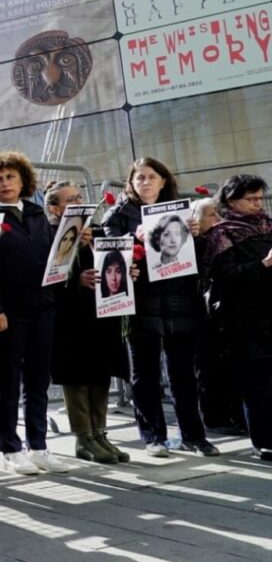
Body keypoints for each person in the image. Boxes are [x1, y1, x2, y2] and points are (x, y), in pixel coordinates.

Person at [103, 157, 217, 458]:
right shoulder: (118, 215)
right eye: (139, 177)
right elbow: (107, 256)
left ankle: (195, 435)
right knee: (145, 374)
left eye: (152, 176)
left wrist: (197, 234)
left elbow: (201, 260)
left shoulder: (181, 211)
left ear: (163, 181)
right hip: (141, 304)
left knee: (184, 375)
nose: (145, 182)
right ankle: (153, 436)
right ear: (131, 182)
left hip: (181, 301)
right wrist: (131, 240)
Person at [0, 151, 69, 475]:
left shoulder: (36, 213)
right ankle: (10, 450)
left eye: (10, 177)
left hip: (42, 309)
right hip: (7, 314)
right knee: (8, 382)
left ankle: (38, 447)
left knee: (38, 382)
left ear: (22, 179)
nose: (5, 184)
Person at [45, 182, 131, 466]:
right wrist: (75, 280)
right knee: (77, 377)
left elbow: (113, 259)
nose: (78, 202)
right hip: (70, 318)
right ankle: (84, 437)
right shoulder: (50, 235)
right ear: (55, 209)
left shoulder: (96, 230)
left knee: (101, 372)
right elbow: (48, 278)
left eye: (79, 196)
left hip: (101, 314)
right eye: (70, 199)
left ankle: (100, 433)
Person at [205, 174, 272, 459]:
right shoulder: (223, 232)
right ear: (232, 200)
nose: (258, 204)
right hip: (245, 318)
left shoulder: (268, 225)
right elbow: (225, 276)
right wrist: (264, 264)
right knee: (257, 383)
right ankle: (264, 441)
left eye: (260, 198)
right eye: (251, 199)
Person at [193, 195, 246, 434]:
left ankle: (236, 414)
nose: (218, 219)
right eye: (211, 214)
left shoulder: (225, 240)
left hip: (226, 311)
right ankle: (215, 417)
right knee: (208, 367)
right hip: (200, 312)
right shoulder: (195, 244)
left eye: (220, 213)